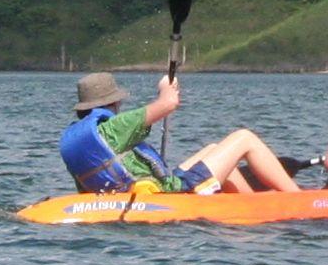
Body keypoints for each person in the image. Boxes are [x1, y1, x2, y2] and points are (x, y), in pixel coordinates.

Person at [58, 71, 300, 196]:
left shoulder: (78, 140)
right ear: (113, 103)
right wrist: (167, 85)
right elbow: (168, 103)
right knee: (244, 138)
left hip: (140, 193)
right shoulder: (115, 127)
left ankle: (250, 205)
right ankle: (296, 198)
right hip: (173, 192)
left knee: (214, 150)